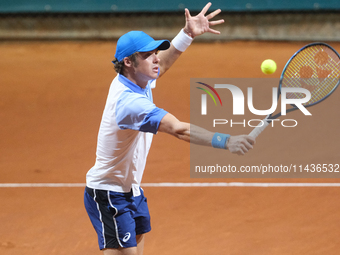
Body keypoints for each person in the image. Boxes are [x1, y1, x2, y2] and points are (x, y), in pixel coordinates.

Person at [84, 3, 255, 255]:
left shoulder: (133, 80)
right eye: (147, 55)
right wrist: (225, 141)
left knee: (138, 239)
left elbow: (161, 67)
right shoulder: (130, 103)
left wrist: (187, 34)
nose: (155, 58)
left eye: (155, 52)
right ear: (128, 62)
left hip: (131, 188)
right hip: (109, 193)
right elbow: (178, 129)